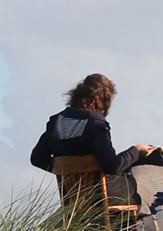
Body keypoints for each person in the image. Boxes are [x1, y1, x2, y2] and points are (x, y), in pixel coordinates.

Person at [30, 73, 155, 203]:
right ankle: (121, 221)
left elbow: (37, 159)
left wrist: (65, 171)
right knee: (133, 185)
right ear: (104, 101)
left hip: (71, 197)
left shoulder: (56, 124)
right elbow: (113, 166)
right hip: (99, 196)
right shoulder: (96, 127)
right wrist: (136, 150)